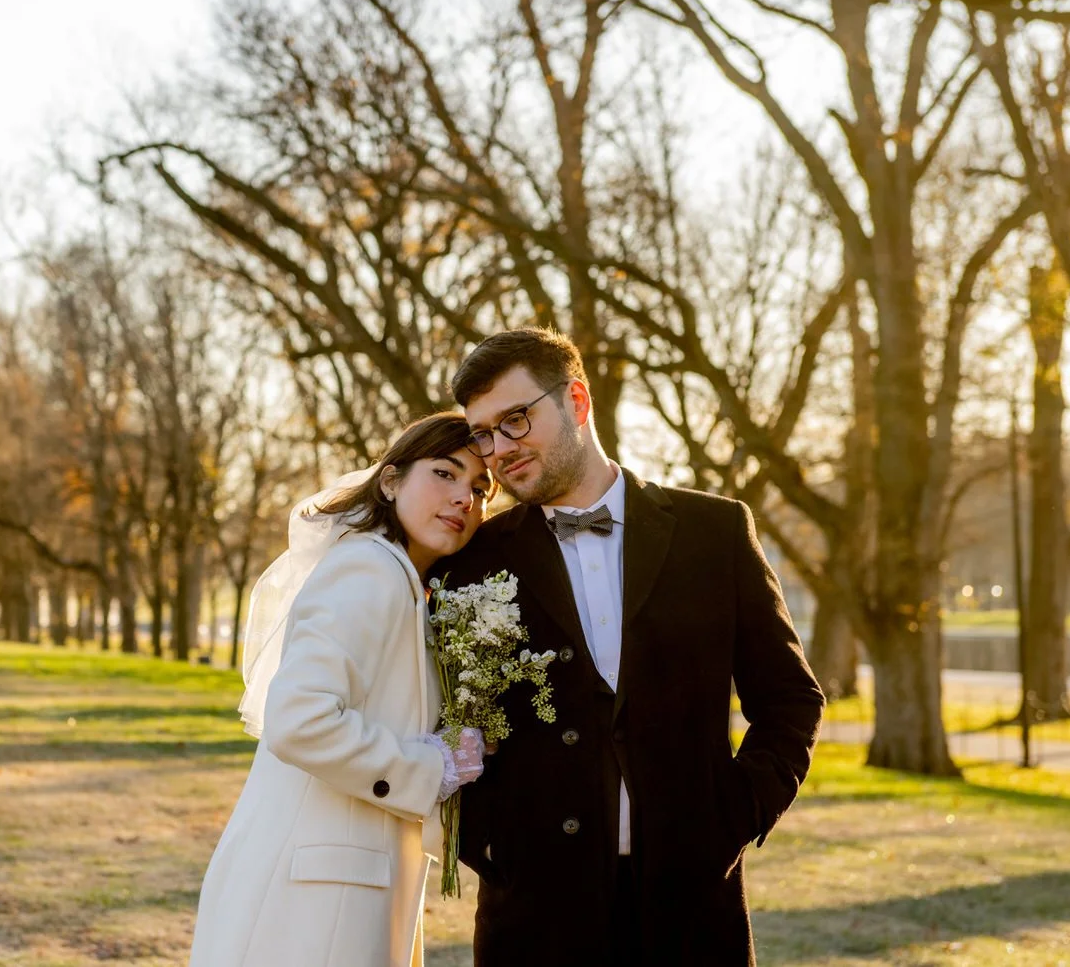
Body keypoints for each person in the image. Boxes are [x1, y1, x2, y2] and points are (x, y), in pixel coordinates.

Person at [441, 328, 826, 966]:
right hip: (532, 919)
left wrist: (735, 815)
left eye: (515, 419)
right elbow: (432, 711)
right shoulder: (473, 558)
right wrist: (484, 841)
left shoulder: (715, 531)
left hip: (691, 911)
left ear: (577, 402)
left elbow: (789, 699)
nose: (499, 450)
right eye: (483, 433)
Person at [190, 413, 494, 967]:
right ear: (391, 481)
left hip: (351, 885)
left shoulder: (408, 587)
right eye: (444, 474)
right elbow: (300, 720)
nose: (463, 500)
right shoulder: (368, 569)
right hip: (313, 896)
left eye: (479, 488)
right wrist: (433, 767)